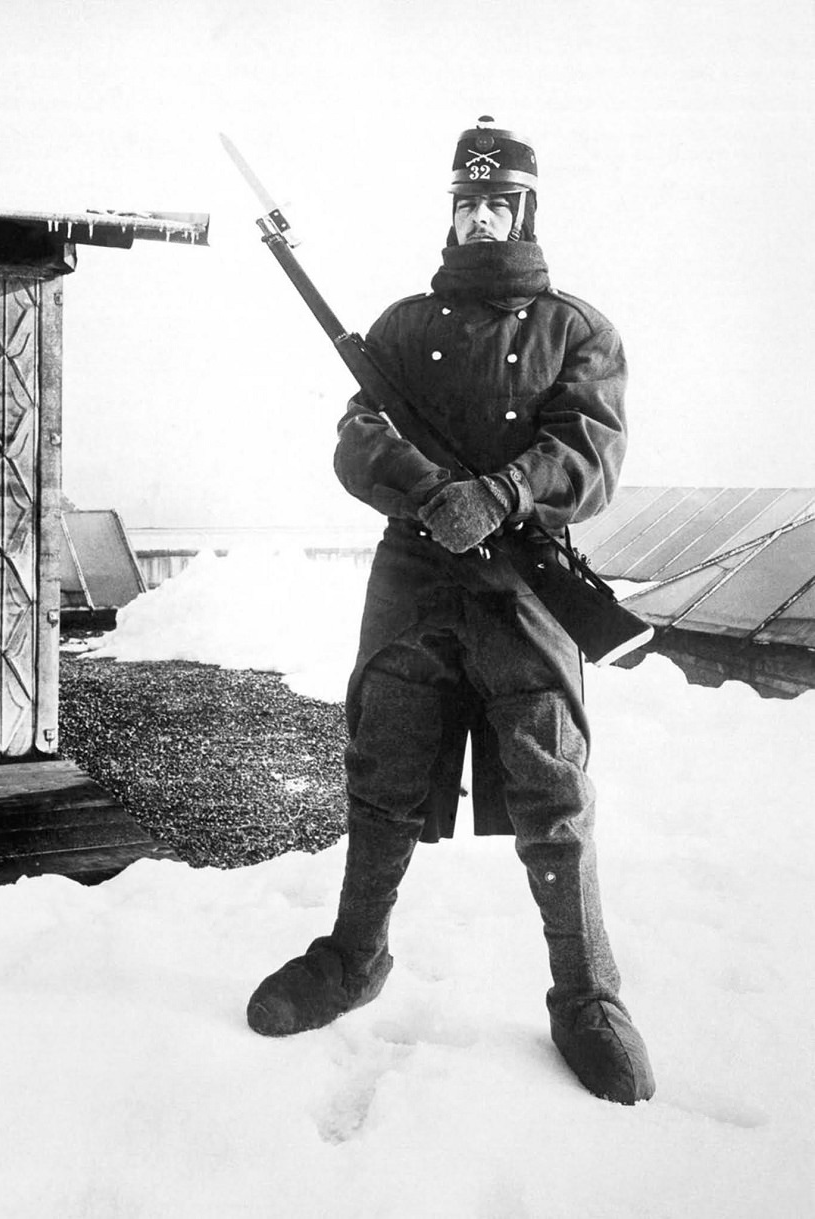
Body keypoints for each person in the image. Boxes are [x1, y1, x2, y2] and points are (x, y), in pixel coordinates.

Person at [246, 116, 655, 1105]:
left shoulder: (578, 330)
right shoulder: (398, 329)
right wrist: (430, 492)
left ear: (524, 208)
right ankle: (354, 955)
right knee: (379, 771)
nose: (479, 216)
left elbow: (590, 457)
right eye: (465, 200)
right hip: (413, 582)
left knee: (554, 796)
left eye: (497, 200)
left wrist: (504, 494)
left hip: (524, 586)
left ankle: (587, 995)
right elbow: (355, 444)